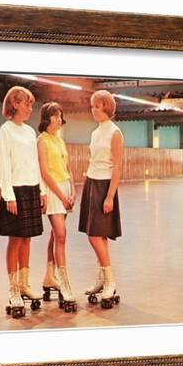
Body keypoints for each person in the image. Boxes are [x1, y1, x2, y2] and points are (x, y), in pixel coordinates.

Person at [0, 86, 46, 318]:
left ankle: (25, 284)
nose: (30, 108)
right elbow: (4, 164)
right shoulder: (5, 131)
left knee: (27, 239)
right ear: (15, 104)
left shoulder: (29, 132)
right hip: (14, 189)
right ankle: (13, 289)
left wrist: (42, 190)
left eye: (31, 105)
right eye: (27, 104)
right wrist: (8, 195)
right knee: (15, 240)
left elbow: (35, 163)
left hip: (32, 187)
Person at [78, 90, 124, 309]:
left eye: (97, 106)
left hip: (105, 185)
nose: (93, 109)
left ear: (107, 107)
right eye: (92, 106)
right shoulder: (96, 132)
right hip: (92, 182)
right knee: (98, 236)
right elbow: (93, 160)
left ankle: (110, 280)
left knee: (95, 236)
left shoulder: (115, 133)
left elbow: (118, 166)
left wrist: (110, 196)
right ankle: (102, 278)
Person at [37, 102, 77, 313]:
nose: (59, 119)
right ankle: (65, 282)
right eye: (55, 115)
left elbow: (67, 167)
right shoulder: (41, 141)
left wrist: (72, 188)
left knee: (55, 236)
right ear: (47, 118)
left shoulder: (60, 140)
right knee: (61, 235)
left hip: (64, 188)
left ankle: (49, 277)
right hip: (53, 191)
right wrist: (61, 195)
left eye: (60, 115)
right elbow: (44, 172)